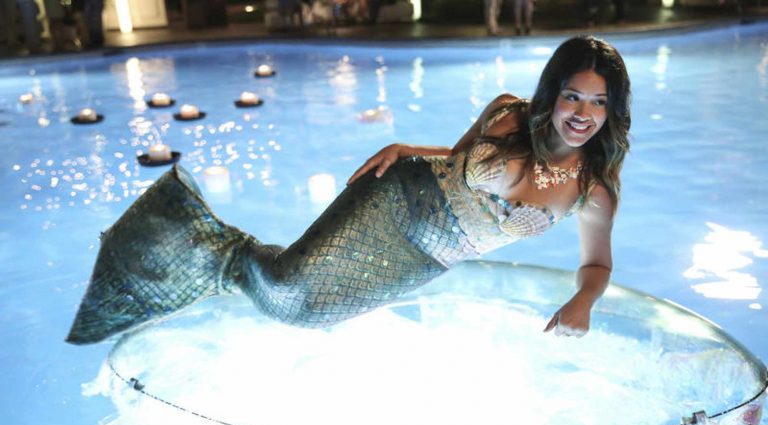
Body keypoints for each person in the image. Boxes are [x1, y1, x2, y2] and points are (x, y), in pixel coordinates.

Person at [66, 35, 631, 345]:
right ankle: (175, 235)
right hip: (398, 196)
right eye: (573, 96)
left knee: (310, 315)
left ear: (613, 109)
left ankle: (197, 246)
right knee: (287, 285)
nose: (583, 113)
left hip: (430, 255)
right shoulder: (509, 112)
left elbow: (598, 264)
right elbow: (458, 159)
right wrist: (406, 148)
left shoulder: (594, 191)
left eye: (599, 102)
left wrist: (582, 300)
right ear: (554, 92)